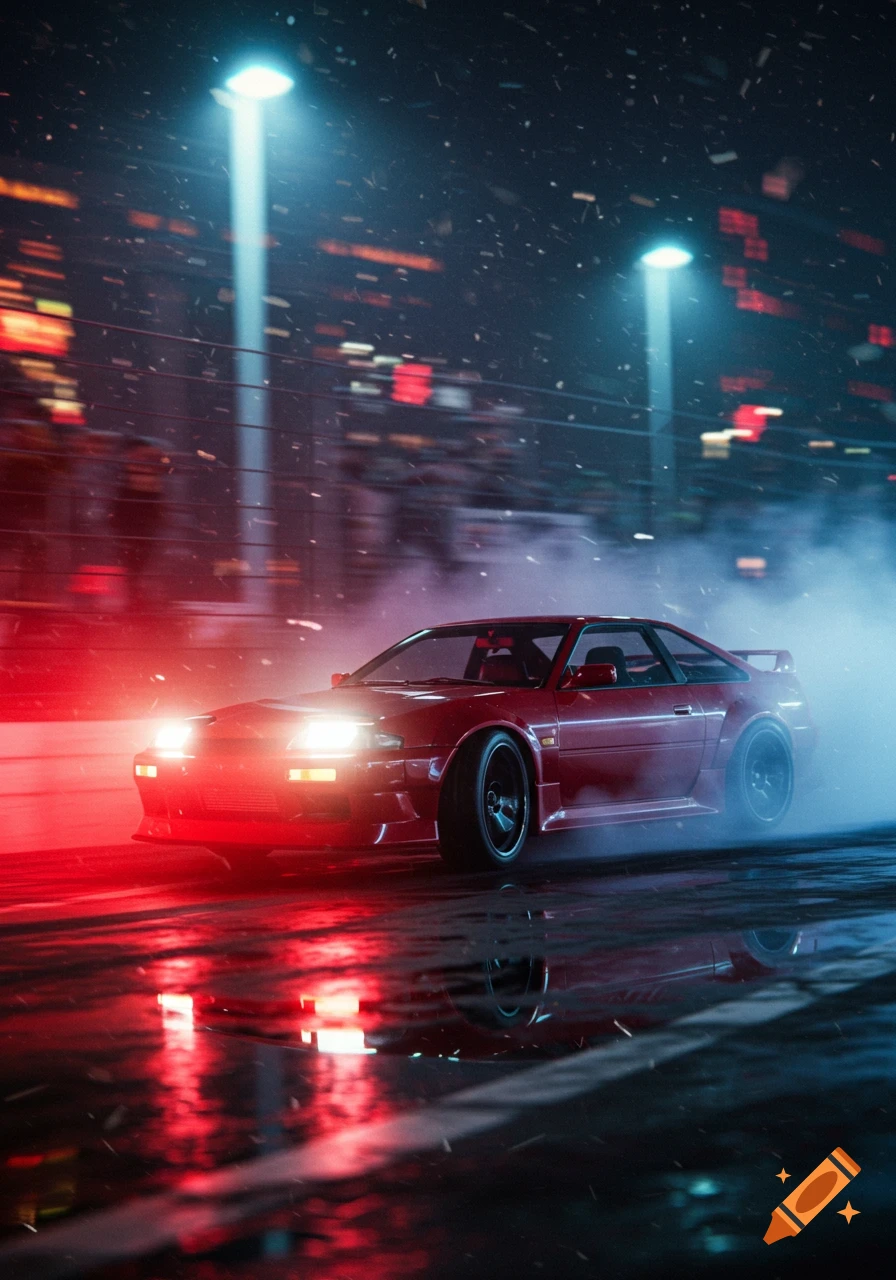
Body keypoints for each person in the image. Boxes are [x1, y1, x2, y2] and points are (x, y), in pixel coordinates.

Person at [109, 437, 167, 609]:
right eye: (137, 454)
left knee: (137, 567)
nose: (140, 458)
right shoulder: (118, 475)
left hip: (141, 533)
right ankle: (132, 599)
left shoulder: (153, 478)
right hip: (128, 532)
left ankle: (135, 598)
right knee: (131, 568)